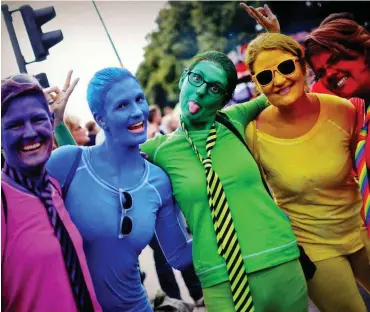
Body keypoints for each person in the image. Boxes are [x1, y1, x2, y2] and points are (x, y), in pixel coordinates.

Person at [141, 50, 307, 311]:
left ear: (224, 100)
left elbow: (283, 86)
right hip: (219, 277)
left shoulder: (235, 120)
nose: (201, 91)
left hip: (280, 260)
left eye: (215, 88)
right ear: (183, 78)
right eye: (196, 78)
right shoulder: (158, 150)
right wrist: (59, 124)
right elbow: (96, 164)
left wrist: (281, 46)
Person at [242, 30, 370, 312]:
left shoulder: (343, 110)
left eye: (286, 67)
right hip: (313, 246)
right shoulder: (252, 134)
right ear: (257, 85)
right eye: (265, 77)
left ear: (302, 65)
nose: (279, 81)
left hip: (362, 227)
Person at [46, 67, 193, 311]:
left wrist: (224, 222)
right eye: (122, 106)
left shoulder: (157, 181)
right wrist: (50, 121)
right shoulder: (66, 163)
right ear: (101, 119)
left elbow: (178, 256)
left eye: (139, 99)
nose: (137, 112)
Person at [1, 74, 101, 312]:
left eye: (37, 119)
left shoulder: (53, 187)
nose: (29, 133)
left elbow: (81, 170)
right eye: (15, 124)